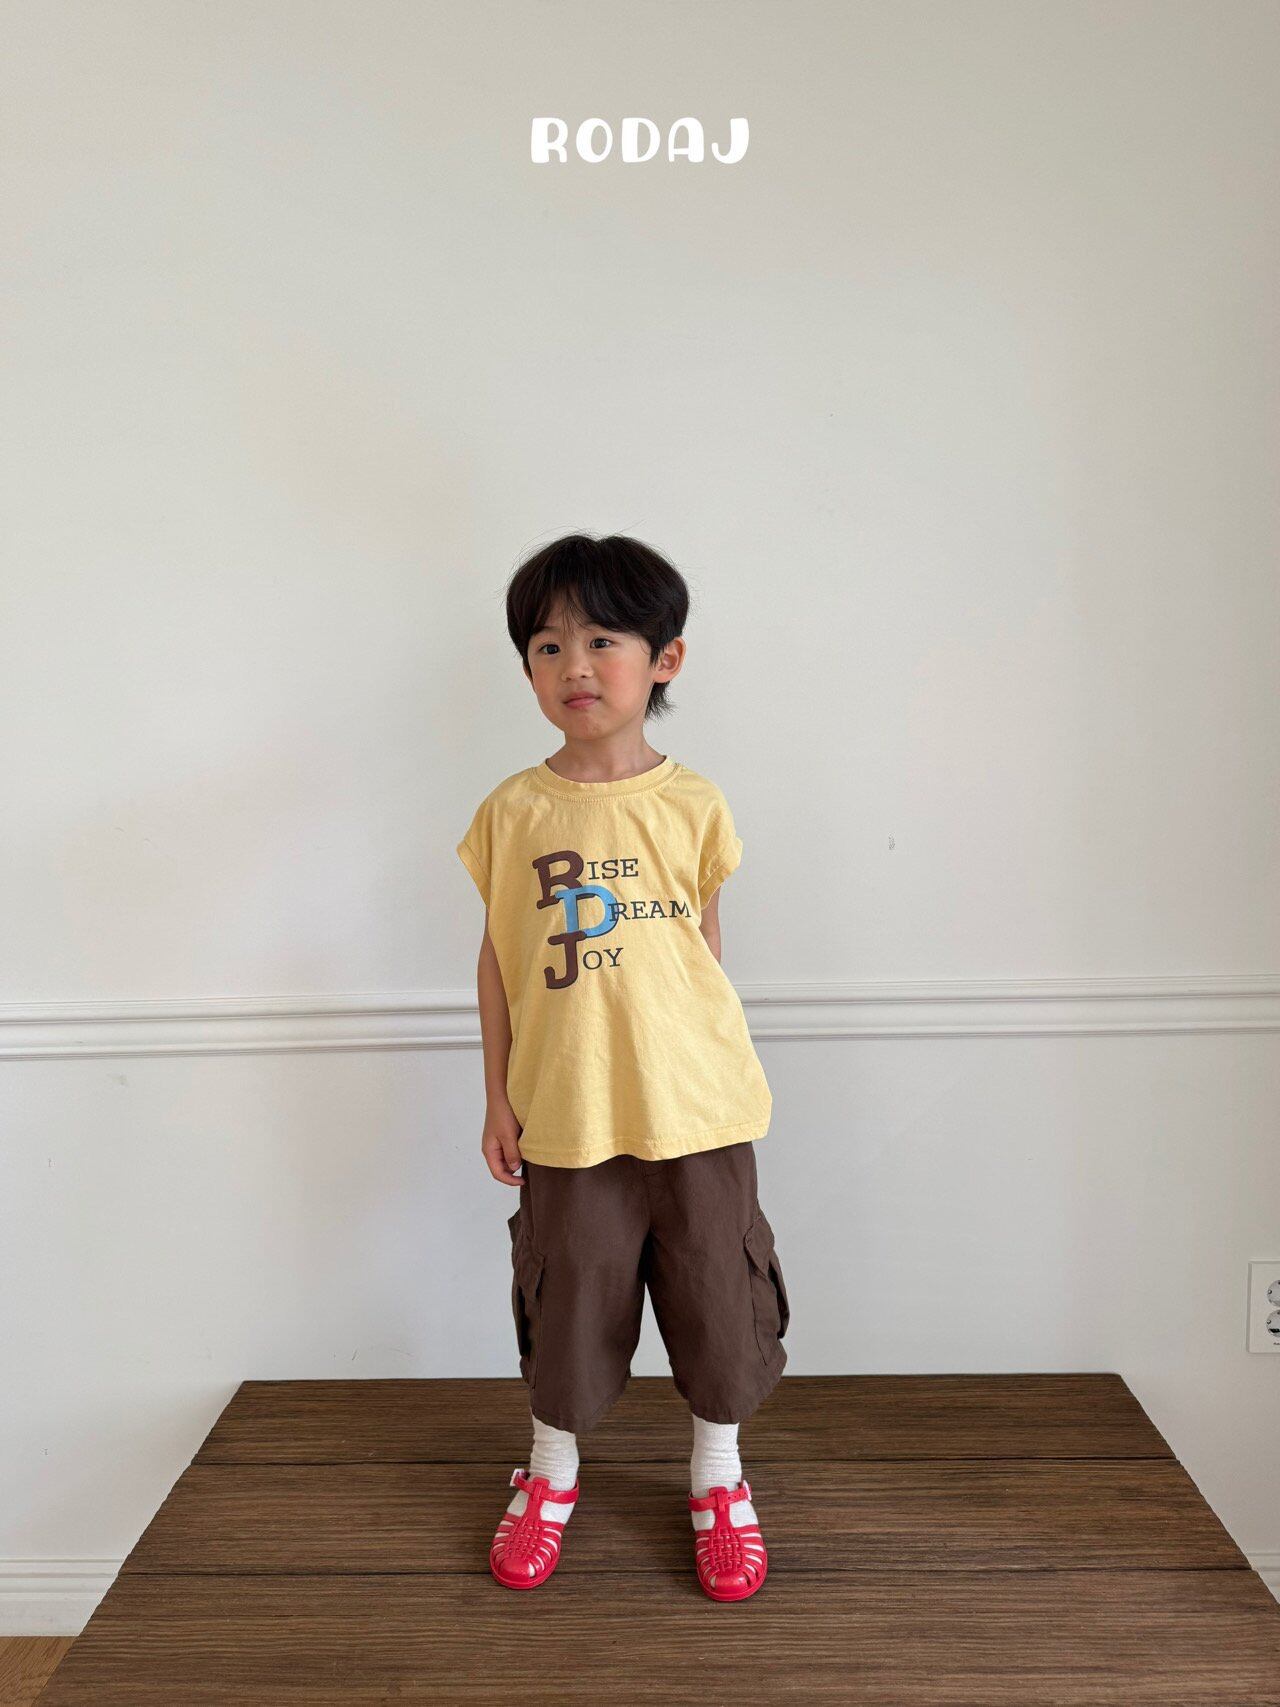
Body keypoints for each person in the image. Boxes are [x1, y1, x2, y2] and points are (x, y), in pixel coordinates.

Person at [455, 532, 790, 1601]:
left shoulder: (694, 804)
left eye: (602, 640)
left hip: (698, 1108)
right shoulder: (512, 813)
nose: (575, 666)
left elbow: (705, 949)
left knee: (715, 1293)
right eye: (547, 646)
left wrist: (703, 1069)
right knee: (569, 1297)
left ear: (664, 659)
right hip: (568, 1112)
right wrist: (497, 1096)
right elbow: (500, 960)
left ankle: (717, 1477)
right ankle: (550, 1471)